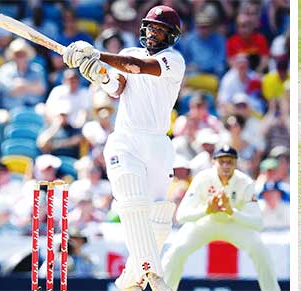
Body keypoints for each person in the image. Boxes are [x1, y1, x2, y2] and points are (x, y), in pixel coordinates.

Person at [61, 5, 185, 290]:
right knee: (133, 205)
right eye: (151, 29)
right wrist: (99, 74)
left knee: (159, 219)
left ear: (171, 35)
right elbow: (117, 86)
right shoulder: (129, 54)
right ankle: (153, 273)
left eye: (160, 30)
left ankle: (130, 279)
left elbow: (138, 69)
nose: (153, 35)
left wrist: (97, 55)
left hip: (158, 143)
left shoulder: (172, 61)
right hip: (125, 139)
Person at [161, 146, 280, 291]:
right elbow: (181, 216)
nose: (225, 166)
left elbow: (258, 223)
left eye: (229, 162)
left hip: (233, 224)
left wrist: (232, 211)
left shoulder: (245, 182)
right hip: (205, 222)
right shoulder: (202, 179)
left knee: (260, 250)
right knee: (176, 251)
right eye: (221, 161)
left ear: (236, 164)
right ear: (213, 163)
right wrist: (206, 210)